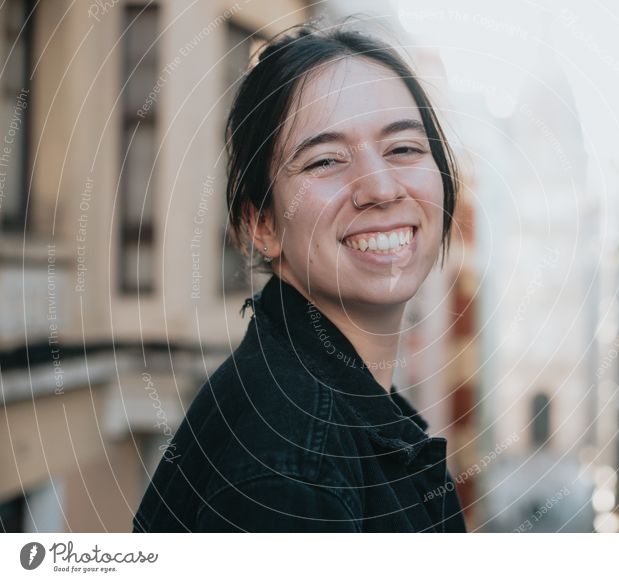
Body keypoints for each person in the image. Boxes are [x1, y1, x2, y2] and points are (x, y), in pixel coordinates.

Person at [132, 21, 466, 532]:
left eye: (403, 148)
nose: (380, 187)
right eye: (326, 160)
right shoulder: (293, 474)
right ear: (261, 225)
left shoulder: (329, 408)